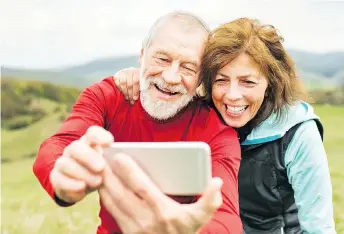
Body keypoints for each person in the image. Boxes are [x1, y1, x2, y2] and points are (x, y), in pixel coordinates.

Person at [114, 18, 336, 233]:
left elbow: (319, 227)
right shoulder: (202, 114)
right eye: (221, 80)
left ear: (271, 83)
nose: (232, 95)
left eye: (247, 82)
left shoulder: (299, 132)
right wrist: (133, 77)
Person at [32, 12, 243, 234]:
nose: (171, 77)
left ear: (201, 78)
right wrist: (63, 176)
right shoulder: (106, 97)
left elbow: (226, 217)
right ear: (142, 55)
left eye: (188, 68)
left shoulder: (217, 132)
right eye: (162, 59)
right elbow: (59, 146)